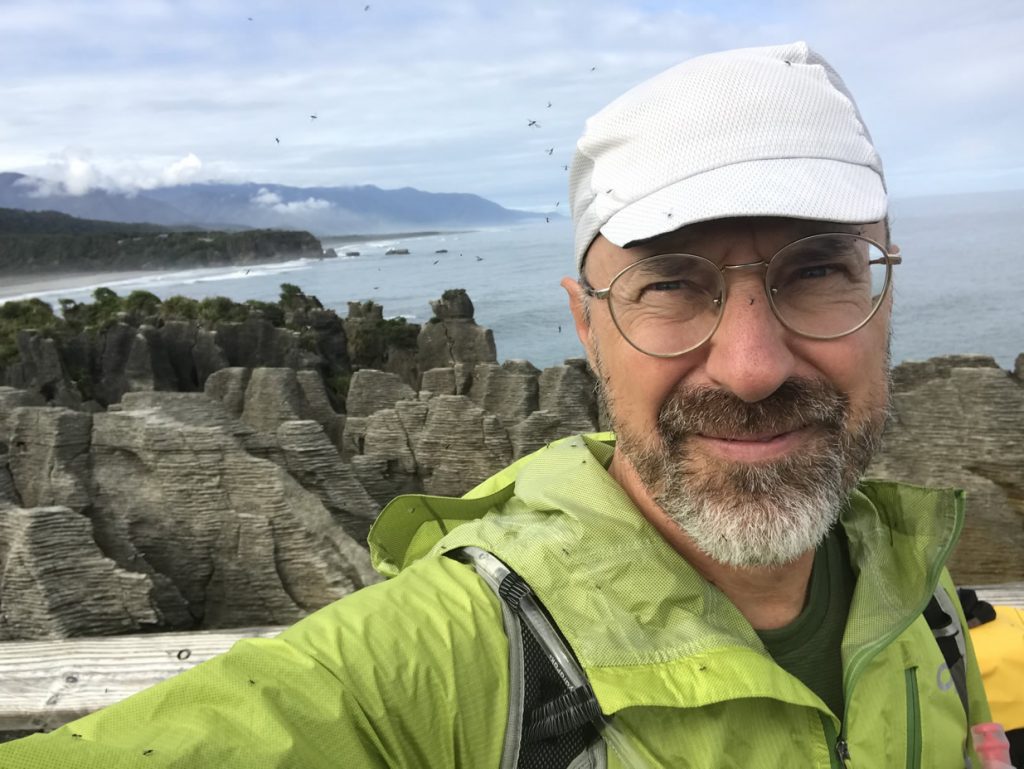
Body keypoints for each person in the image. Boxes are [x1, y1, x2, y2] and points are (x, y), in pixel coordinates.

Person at [0, 41, 995, 768]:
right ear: (583, 324)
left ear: (886, 289)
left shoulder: (921, 591)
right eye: (670, 285)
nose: (749, 366)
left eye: (819, 269)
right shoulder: (456, 653)